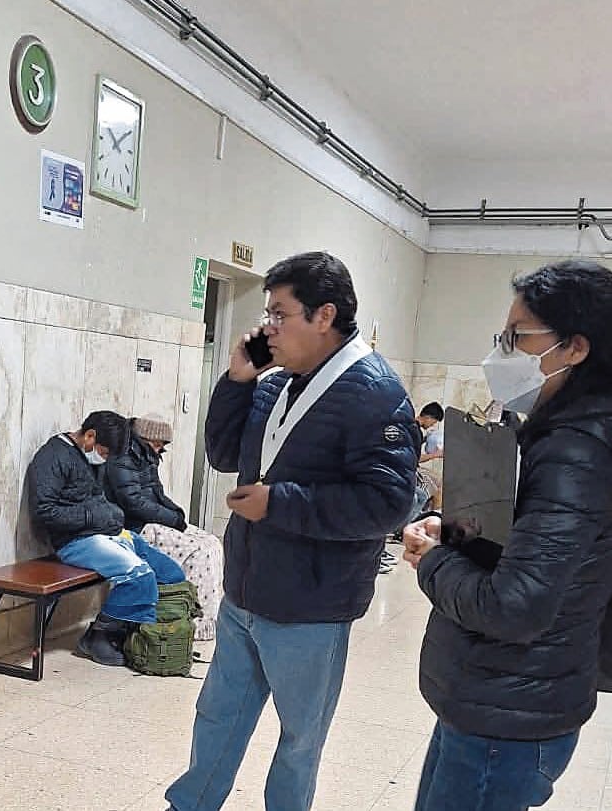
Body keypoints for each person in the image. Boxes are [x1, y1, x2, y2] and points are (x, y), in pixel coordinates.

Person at [402, 260, 612, 811]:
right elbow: (539, 548)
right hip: (503, 701)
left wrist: (436, 560)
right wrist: (459, 531)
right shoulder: (592, 427)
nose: (501, 352)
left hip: (507, 714)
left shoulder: (579, 452)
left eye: (517, 338)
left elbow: (516, 606)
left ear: (575, 348)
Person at [166, 251, 418, 811]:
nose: (267, 327)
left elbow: (386, 503)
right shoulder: (274, 383)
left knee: (299, 740)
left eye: (280, 314)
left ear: (323, 316)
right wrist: (236, 380)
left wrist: (279, 504)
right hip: (246, 592)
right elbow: (225, 452)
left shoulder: (375, 393)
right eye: (267, 313)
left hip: (312, 606)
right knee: (217, 718)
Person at [26, 410, 186, 666]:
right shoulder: (52, 457)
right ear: (90, 436)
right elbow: (45, 512)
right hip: (74, 542)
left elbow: (99, 497)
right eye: (106, 452)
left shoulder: (93, 458)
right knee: (139, 576)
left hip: (107, 532)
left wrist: (111, 515)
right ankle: (99, 635)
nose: (106, 459)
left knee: (170, 574)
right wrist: (95, 517)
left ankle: (129, 631)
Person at [103, 415, 224, 640]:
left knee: (212, 543)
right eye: (158, 444)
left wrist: (177, 514)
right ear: (144, 437)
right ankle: (192, 621)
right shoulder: (121, 457)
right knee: (198, 552)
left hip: (152, 520)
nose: (160, 450)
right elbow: (133, 503)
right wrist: (171, 519)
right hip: (135, 527)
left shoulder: (147, 455)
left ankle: (209, 619)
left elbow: (157, 493)